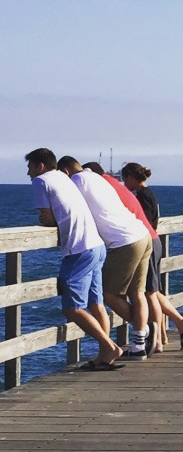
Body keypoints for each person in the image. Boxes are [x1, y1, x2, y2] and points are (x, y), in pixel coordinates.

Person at [25, 148, 124, 371]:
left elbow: (47, 216)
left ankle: (109, 347)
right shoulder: (63, 176)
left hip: (78, 249)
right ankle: (104, 355)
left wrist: (45, 223)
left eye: (29, 167)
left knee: (71, 308)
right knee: (95, 303)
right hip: (96, 246)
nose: (28, 173)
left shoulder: (41, 181)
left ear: (40, 166)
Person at [57, 156, 152, 361]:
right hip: (141, 234)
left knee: (109, 294)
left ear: (65, 171)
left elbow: (71, 210)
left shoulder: (76, 182)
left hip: (125, 242)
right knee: (137, 292)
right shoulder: (98, 178)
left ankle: (142, 329)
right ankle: (140, 343)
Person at [120, 162, 183, 351]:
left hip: (147, 244)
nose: (123, 183)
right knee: (152, 290)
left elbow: (142, 222)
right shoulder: (149, 194)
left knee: (149, 292)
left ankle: (162, 338)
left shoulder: (142, 196)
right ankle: (170, 329)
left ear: (130, 176)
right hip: (154, 242)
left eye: (124, 178)